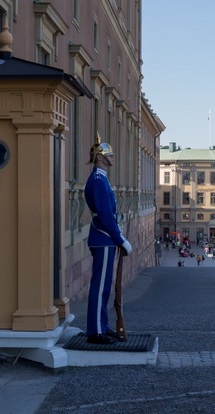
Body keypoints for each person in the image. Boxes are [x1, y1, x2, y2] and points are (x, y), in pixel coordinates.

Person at [84, 137, 132, 345]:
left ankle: (101, 326)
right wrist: (120, 239)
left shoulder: (101, 179)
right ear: (101, 157)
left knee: (104, 287)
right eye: (110, 154)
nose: (113, 157)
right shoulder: (97, 180)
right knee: (100, 286)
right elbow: (104, 215)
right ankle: (95, 331)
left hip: (105, 239)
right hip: (103, 237)